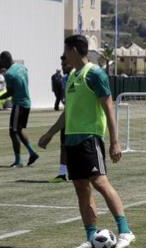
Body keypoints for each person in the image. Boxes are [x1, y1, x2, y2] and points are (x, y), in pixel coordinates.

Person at [39, 35, 135, 248]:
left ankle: (126, 231)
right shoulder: (72, 75)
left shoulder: (95, 74)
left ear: (74, 50)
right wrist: (50, 133)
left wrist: (115, 141)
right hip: (72, 141)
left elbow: (109, 107)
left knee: (100, 182)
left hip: (90, 138)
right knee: (81, 188)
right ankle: (91, 236)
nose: (64, 56)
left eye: (66, 50)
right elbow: (68, 113)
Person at [0, 51, 40, 168]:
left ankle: (18, 160)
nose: (1, 64)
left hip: (19, 104)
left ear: (5, 60)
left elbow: (10, 92)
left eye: (1, 61)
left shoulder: (9, 74)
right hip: (27, 102)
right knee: (19, 130)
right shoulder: (22, 67)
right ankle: (32, 153)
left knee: (13, 131)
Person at [49, 55, 72, 183]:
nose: (62, 68)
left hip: (77, 119)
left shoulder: (79, 77)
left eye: (65, 65)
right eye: (62, 65)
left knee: (74, 146)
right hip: (67, 115)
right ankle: (62, 173)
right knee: (63, 145)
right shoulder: (64, 79)